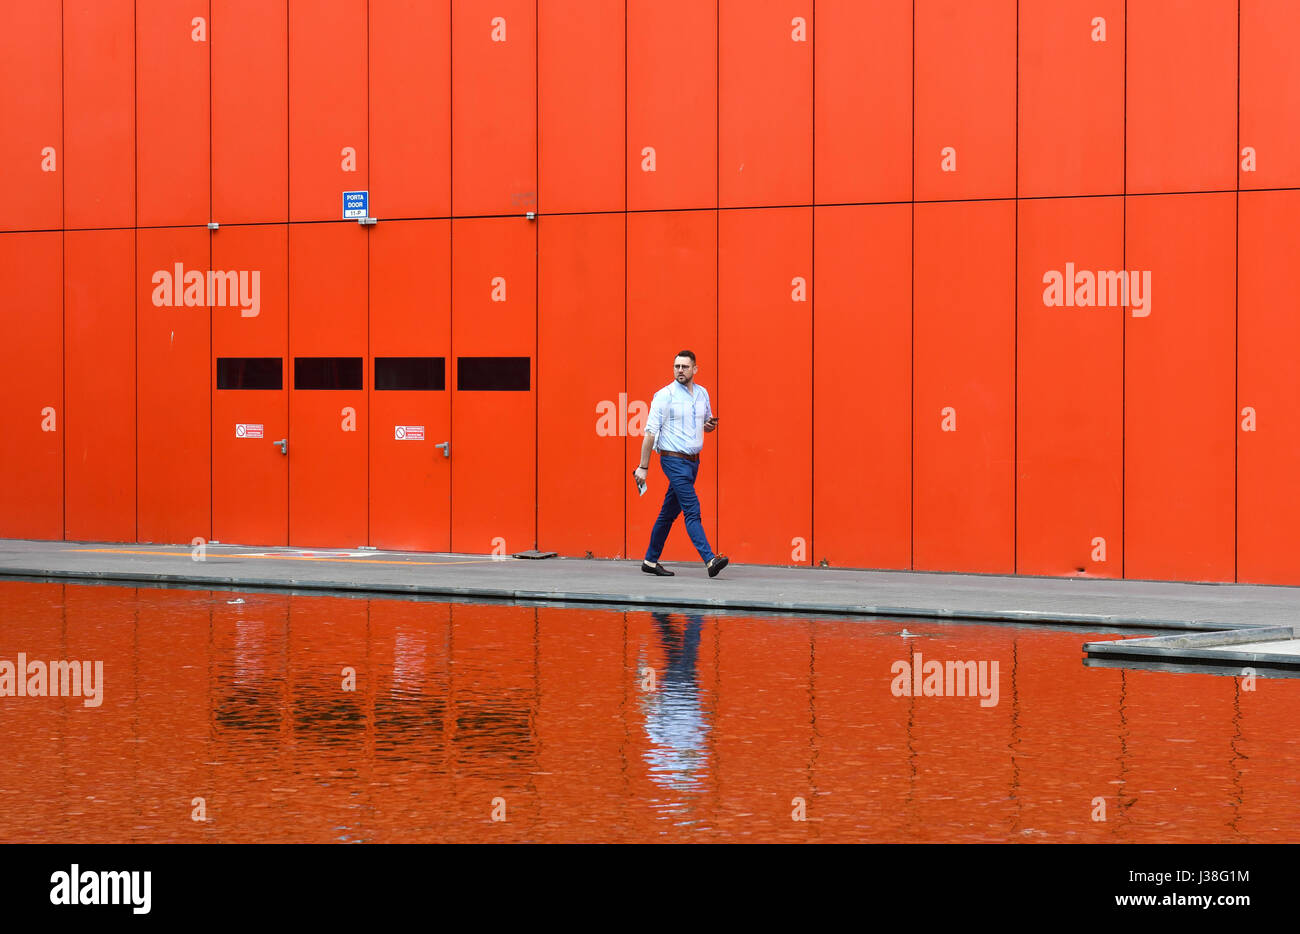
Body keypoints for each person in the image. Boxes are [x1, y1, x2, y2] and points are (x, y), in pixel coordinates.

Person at [633, 350, 728, 578]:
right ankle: (710, 560)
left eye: (685, 367)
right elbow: (650, 434)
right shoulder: (664, 395)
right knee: (692, 509)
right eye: (677, 366)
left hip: (693, 462)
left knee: (668, 513)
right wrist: (643, 468)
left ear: (695, 369)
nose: (680, 370)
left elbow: (704, 422)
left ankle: (650, 560)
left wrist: (708, 426)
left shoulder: (702, 394)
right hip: (672, 459)